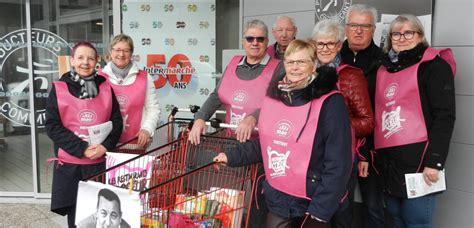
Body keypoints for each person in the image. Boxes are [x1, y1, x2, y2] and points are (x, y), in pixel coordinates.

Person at [214, 40, 352, 228]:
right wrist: (231, 156)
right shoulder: (275, 98)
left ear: (314, 64)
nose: (295, 67)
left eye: (302, 62)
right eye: (290, 62)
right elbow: (265, 143)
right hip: (279, 198)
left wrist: (320, 212)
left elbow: (339, 162)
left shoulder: (330, 103)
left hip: (312, 200)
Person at [189, 19, 284, 228]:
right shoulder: (233, 63)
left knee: (256, 204)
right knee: (231, 198)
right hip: (232, 144)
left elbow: (280, 101)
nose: (255, 43)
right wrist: (200, 118)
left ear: (267, 41)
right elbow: (217, 96)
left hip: (261, 148)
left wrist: (253, 117)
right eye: (250, 38)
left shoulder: (279, 67)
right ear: (243, 41)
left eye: (260, 39)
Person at [371, 14, 455, 228]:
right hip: (389, 163)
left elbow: (444, 116)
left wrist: (434, 162)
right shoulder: (383, 68)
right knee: (396, 220)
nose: (402, 38)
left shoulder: (434, 66)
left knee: (416, 222)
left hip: (420, 162)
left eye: (409, 32)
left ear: (420, 35)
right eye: (396, 34)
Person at [46, 42, 123, 228]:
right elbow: (52, 126)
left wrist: (104, 146)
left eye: (90, 58)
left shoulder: (106, 87)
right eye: (80, 58)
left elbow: (117, 122)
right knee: (77, 219)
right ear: (72, 60)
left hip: (98, 166)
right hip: (71, 167)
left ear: (97, 61)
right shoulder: (59, 88)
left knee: (101, 217)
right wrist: (82, 149)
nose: (85, 62)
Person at [311, 19, 374, 228]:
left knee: (340, 212)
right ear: (313, 45)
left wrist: (336, 128)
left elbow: (368, 122)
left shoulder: (351, 76)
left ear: (339, 45)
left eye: (331, 43)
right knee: (314, 212)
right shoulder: (308, 74)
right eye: (321, 44)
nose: (325, 48)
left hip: (341, 157)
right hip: (311, 155)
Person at [340, 4, 385, 228]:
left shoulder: (383, 62)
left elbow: (379, 112)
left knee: (373, 208)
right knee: (340, 207)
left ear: (373, 30)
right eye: (354, 25)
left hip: (371, 147)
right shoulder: (335, 58)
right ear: (345, 28)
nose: (359, 30)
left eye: (365, 26)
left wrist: (365, 153)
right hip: (338, 148)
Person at [99, 34, 160, 153]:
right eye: (117, 50)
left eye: (126, 50)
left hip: (135, 144)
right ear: (110, 52)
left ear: (131, 53)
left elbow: (153, 109)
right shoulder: (99, 77)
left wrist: (146, 130)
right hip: (105, 145)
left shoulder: (145, 78)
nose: (121, 54)